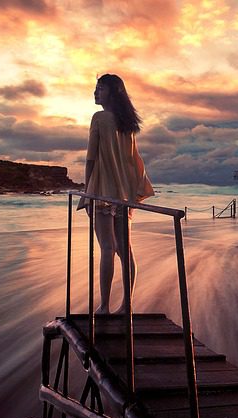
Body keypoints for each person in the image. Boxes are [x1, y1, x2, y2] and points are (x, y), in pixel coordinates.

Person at [78, 74, 154, 314]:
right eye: (95, 88)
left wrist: (86, 192)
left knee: (108, 249)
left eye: (100, 88)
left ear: (113, 92)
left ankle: (104, 306)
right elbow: (134, 162)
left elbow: (91, 159)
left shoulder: (99, 118)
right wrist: (133, 193)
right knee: (125, 250)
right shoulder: (127, 123)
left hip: (102, 192)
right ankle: (127, 305)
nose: (95, 92)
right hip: (123, 195)